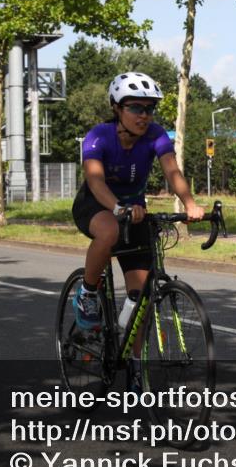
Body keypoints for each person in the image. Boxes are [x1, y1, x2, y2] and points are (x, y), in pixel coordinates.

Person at [71, 72, 204, 339]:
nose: (144, 115)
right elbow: (95, 180)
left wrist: (190, 204)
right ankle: (87, 292)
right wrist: (118, 208)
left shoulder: (155, 135)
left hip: (134, 211)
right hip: (96, 204)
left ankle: (133, 363)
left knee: (141, 297)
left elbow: (172, 171)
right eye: (135, 108)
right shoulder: (99, 136)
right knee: (110, 231)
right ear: (117, 108)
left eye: (149, 109)